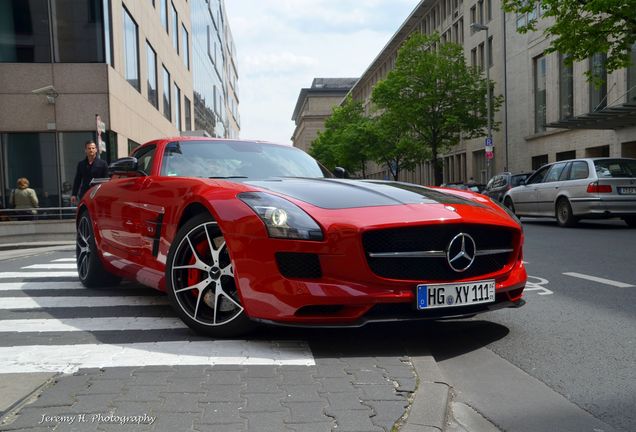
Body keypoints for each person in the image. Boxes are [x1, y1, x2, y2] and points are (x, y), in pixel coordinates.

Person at [71, 140, 108, 205]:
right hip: (84, 194)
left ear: (96, 150)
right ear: (85, 150)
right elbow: (77, 180)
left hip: (98, 194)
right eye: (89, 148)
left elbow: (106, 180)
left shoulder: (103, 164)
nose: (91, 150)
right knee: (85, 212)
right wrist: (74, 194)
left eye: (93, 148)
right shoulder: (81, 164)